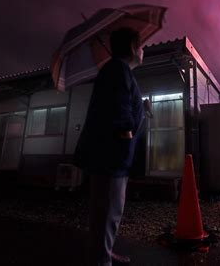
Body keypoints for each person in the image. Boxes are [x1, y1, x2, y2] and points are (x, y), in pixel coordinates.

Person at [74, 27, 145, 266]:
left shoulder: (118, 70)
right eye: (141, 45)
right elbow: (118, 106)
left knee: (108, 213)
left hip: (114, 156)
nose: (143, 50)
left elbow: (122, 102)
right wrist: (125, 132)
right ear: (133, 48)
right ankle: (101, 259)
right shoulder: (117, 69)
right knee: (107, 214)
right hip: (112, 156)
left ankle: (105, 251)